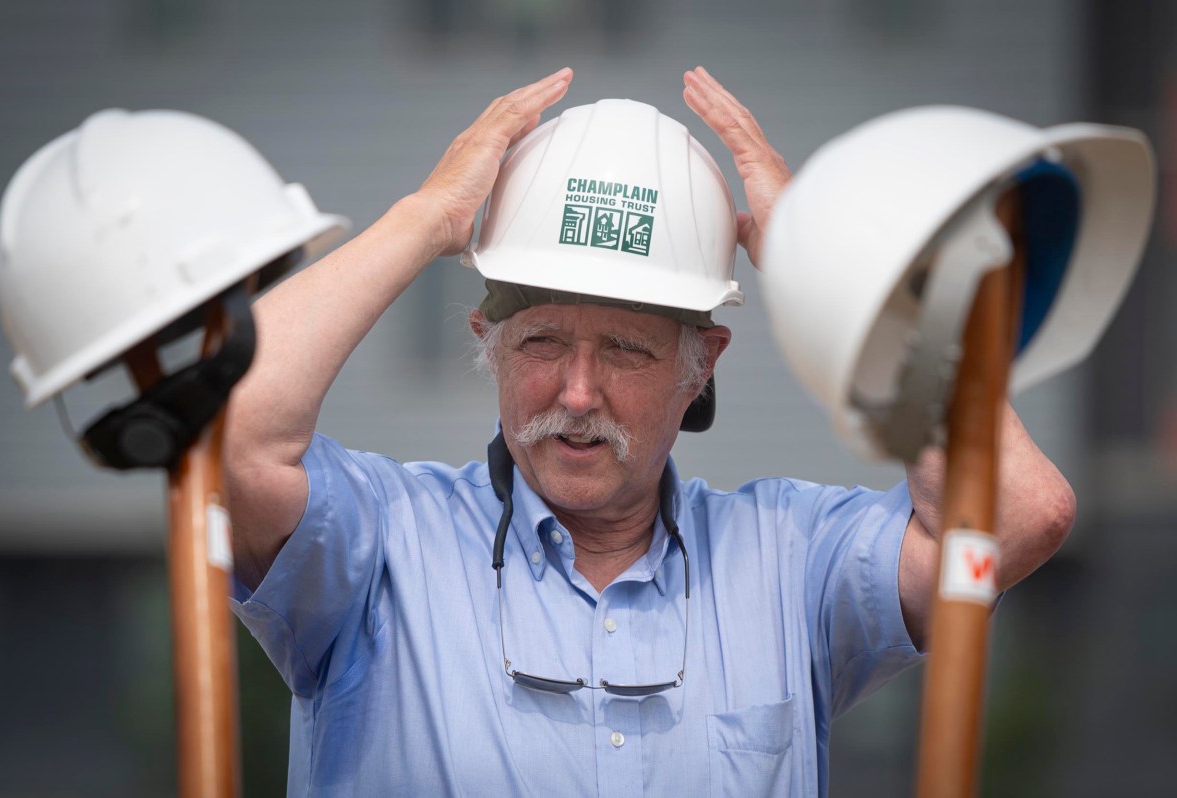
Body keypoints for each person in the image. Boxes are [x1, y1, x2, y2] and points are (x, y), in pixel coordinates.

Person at [223, 67, 1075, 796]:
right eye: (542, 343)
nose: (579, 392)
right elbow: (227, 436)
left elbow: (1016, 515)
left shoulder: (791, 562)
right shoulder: (379, 546)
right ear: (487, 341)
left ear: (700, 365)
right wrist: (425, 219)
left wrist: (836, 281)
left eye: (626, 351)